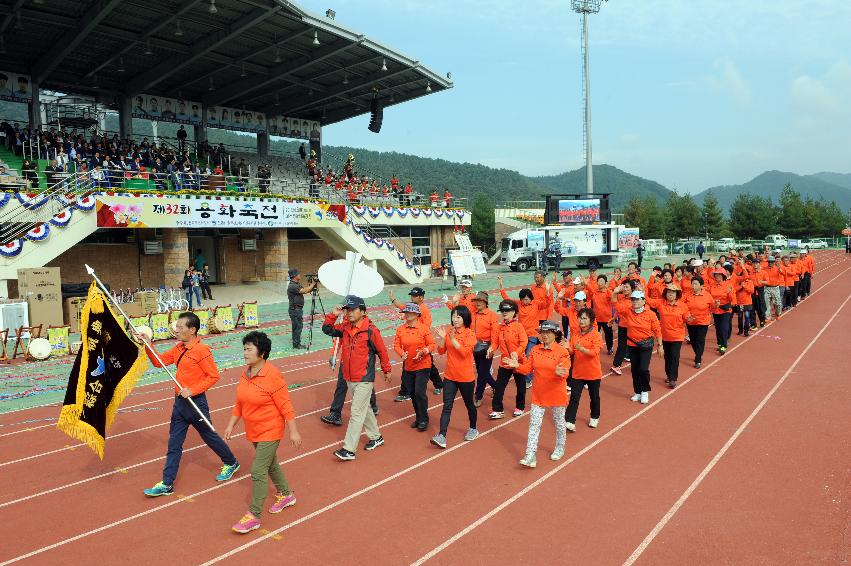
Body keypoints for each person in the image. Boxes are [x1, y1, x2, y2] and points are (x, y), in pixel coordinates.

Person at [138, 312, 240, 496]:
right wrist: (147, 343)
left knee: (209, 436)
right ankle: (167, 483)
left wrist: (192, 390)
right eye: (176, 327)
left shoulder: (202, 351)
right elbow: (158, 363)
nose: (176, 330)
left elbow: (213, 376)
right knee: (174, 445)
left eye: (180, 327)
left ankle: (231, 462)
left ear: (192, 330)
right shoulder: (178, 348)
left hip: (196, 403)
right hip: (180, 404)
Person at [225, 332, 302, 533]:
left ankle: (254, 515)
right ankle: (286, 495)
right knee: (270, 464)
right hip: (254, 429)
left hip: (271, 429)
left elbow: (286, 405)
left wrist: (293, 431)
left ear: (262, 352)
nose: (245, 353)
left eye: (249, 349)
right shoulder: (246, 373)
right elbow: (240, 402)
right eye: (244, 348)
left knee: (258, 470)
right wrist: (231, 424)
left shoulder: (272, 375)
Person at [322, 295, 391, 461]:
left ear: (362, 311)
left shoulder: (371, 331)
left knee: (356, 412)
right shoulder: (345, 327)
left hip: (364, 378)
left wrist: (386, 369)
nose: (349, 313)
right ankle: (376, 437)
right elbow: (327, 329)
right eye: (346, 310)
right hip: (349, 377)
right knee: (364, 409)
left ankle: (349, 449)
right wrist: (333, 314)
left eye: (352, 310)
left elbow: (382, 351)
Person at [507, 320, 571, 467]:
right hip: (539, 395)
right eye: (543, 332)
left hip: (556, 394)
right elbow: (527, 369)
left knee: (559, 424)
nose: (545, 335)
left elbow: (565, 369)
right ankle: (531, 455)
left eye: (548, 332)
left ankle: (560, 447)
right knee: (534, 425)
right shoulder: (535, 349)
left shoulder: (562, 352)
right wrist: (517, 366)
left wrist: (560, 372)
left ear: (555, 334)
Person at [431, 306, 479, 448]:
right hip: (450, 376)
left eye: (458, 317)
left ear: (465, 318)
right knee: (447, 406)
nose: (455, 319)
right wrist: (442, 338)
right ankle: (442, 436)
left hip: (465, 377)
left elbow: (464, 352)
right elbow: (440, 351)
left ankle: (473, 428)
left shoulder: (470, 334)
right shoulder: (450, 332)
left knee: (469, 404)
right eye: (453, 316)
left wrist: (452, 339)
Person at [389, 286, 443, 398]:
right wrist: (393, 299)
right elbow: (402, 307)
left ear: (422, 297)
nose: (412, 298)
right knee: (417, 367)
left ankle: (405, 392)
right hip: (410, 344)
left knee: (428, 367)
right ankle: (407, 391)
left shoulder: (424, 310)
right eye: (411, 296)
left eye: (415, 296)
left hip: (421, 343)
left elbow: (426, 327)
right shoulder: (410, 308)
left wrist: (417, 334)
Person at [611, 287, 662, 404]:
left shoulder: (651, 314)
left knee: (643, 369)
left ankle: (645, 391)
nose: (634, 302)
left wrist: (660, 345)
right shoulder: (628, 311)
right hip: (632, 345)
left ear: (644, 301)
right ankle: (638, 392)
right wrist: (614, 292)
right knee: (634, 370)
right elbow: (615, 304)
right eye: (633, 300)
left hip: (646, 346)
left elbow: (657, 330)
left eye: (637, 299)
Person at [393, 303, 436, 432]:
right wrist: (402, 353)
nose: (407, 315)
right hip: (409, 366)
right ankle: (419, 417)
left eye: (411, 313)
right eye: (406, 312)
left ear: (417, 315)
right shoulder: (401, 329)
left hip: (423, 365)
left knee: (419, 392)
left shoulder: (423, 329)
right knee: (412, 393)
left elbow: (432, 344)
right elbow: (396, 345)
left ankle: (424, 419)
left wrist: (424, 351)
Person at [564, 308, 604, 430]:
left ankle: (594, 417)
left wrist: (580, 349)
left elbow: (594, 352)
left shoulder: (596, 335)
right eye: (580, 318)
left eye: (585, 318)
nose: (581, 320)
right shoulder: (575, 334)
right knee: (574, 397)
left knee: (594, 397)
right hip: (578, 372)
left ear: (591, 320)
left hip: (593, 372)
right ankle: (570, 421)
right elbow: (572, 351)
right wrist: (567, 347)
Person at [488, 299, 528, 419]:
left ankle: (520, 407)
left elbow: (524, 342)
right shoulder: (499, 328)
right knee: (499, 387)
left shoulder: (518, 326)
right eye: (502, 310)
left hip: (518, 362)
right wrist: (491, 349)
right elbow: (495, 342)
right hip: (505, 362)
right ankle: (497, 409)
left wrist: (517, 352)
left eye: (507, 310)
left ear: (514, 312)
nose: (504, 312)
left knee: (521, 387)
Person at [647, 284, 690, 388]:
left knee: (675, 356)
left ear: (677, 295)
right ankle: (668, 374)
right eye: (668, 292)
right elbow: (649, 301)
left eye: (673, 293)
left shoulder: (682, 305)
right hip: (664, 336)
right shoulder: (661, 303)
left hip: (677, 336)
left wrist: (689, 318)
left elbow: (687, 316)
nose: (670, 294)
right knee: (667, 357)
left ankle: (673, 378)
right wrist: (642, 291)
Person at [470, 291, 499, 407]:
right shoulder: (473, 314)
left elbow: (495, 334)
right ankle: (497, 387)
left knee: (482, 375)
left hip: (487, 348)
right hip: (475, 347)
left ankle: (478, 396)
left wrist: (492, 348)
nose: (478, 303)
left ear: (485, 302)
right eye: (476, 301)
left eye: (480, 301)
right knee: (483, 372)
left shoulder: (492, 315)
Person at [684, 275, 713, 368]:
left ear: (701, 286)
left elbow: (712, 307)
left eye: (696, 284)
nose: (693, 286)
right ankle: (698, 353)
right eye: (692, 284)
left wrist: (716, 305)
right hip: (691, 321)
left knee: (700, 339)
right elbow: (683, 306)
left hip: (703, 322)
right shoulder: (687, 295)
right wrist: (687, 315)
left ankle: (698, 359)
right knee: (693, 340)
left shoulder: (707, 295)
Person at [286, 269, 317, 349]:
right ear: (295, 276)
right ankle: (296, 344)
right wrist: (313, 283)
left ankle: (296, 343)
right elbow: (305, 290)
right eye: (298, 274)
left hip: (297, 309)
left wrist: (311, 285)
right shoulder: (292, 286)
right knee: (297, 327)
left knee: (297, 327)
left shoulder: (296, 284)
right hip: (295, 310)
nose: (300, 275)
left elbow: (307, 290)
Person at [708, 268, 735, 354]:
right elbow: (709, 297)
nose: (717, 276)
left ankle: (723, 345)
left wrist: (729, 293)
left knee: (723, 327)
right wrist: (714, 303)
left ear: (723, 276)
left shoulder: (728, 285)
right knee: (718, 328)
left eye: (719, 275)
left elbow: (732, 299)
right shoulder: (712, 286)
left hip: (725, 310)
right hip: (716, 309)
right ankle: (720, 344)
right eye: (716, 275)